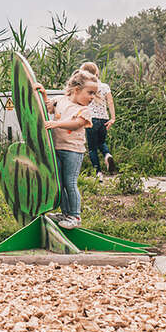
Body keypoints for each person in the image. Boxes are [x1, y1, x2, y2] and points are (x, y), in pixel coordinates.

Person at [39, 69, 98, 230]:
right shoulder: (61, 100)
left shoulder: (84, 110)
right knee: (60, 182)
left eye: (94, 93)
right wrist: (44, 94)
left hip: (73, 150)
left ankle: (75, 216)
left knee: (70, 183)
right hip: (57, 147)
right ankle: (65, 214)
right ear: (77, 90)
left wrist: (56, 124)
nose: (93, 97)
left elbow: (77, 124)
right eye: (90, 93)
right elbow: (48, 109)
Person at [79, 61, 117, 179]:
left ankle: (98, 173)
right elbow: (110, 102)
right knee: (101, 142)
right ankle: (107, 155)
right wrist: (112, 118)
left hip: (91, 119)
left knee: (92, 148)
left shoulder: (86, 87)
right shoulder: (105, 86)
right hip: (104, 120)